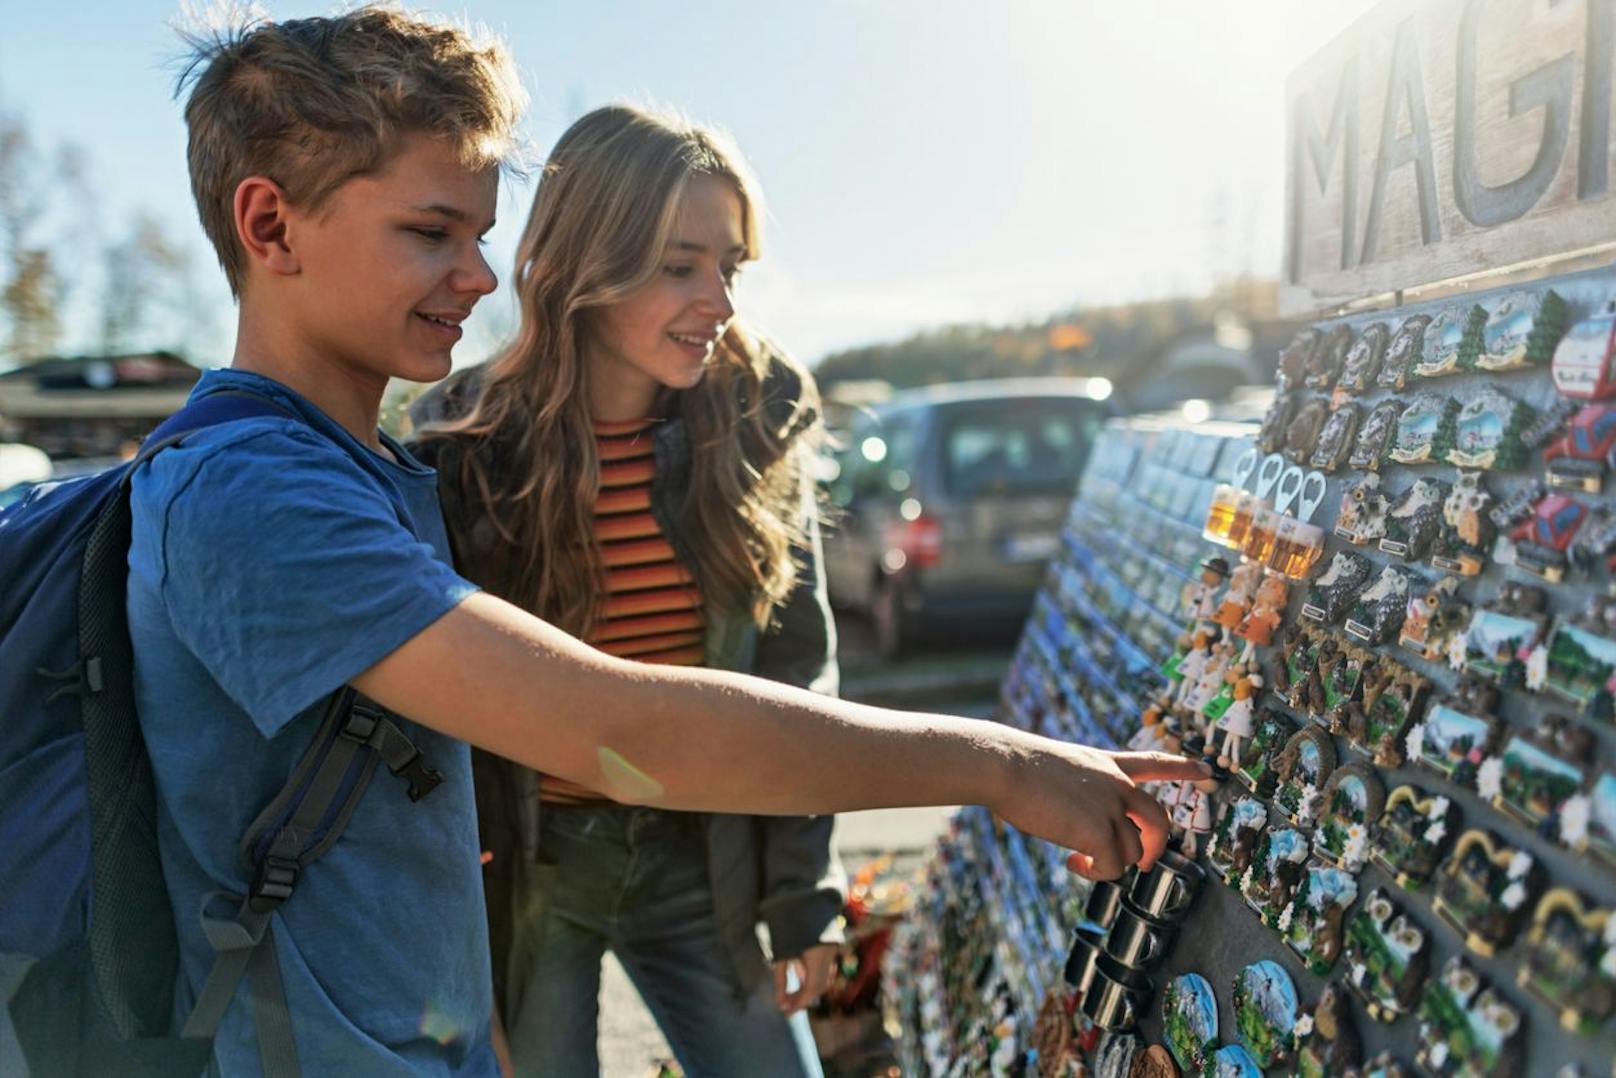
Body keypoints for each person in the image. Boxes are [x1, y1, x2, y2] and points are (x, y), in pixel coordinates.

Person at [133, 7, 1206, 1075]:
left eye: (478, 237)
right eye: (430, 233)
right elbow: (617, 726)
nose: (476, 276)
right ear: (269, 227)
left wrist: (799, 889)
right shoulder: (279, 490)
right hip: (449, 948)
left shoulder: (367, 467)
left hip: (643, 887)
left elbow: (778, 661)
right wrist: (999, 763)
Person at [409, 105, 841, 1076]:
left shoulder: (755, 422)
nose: (717, 301)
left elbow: (794, 678)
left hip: (706, 857)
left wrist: (802, 896)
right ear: (584, 261)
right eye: (678, 264)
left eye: (728, 267)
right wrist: (464, 952)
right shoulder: (461, 446)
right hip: (535, 878)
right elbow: (442, 722)